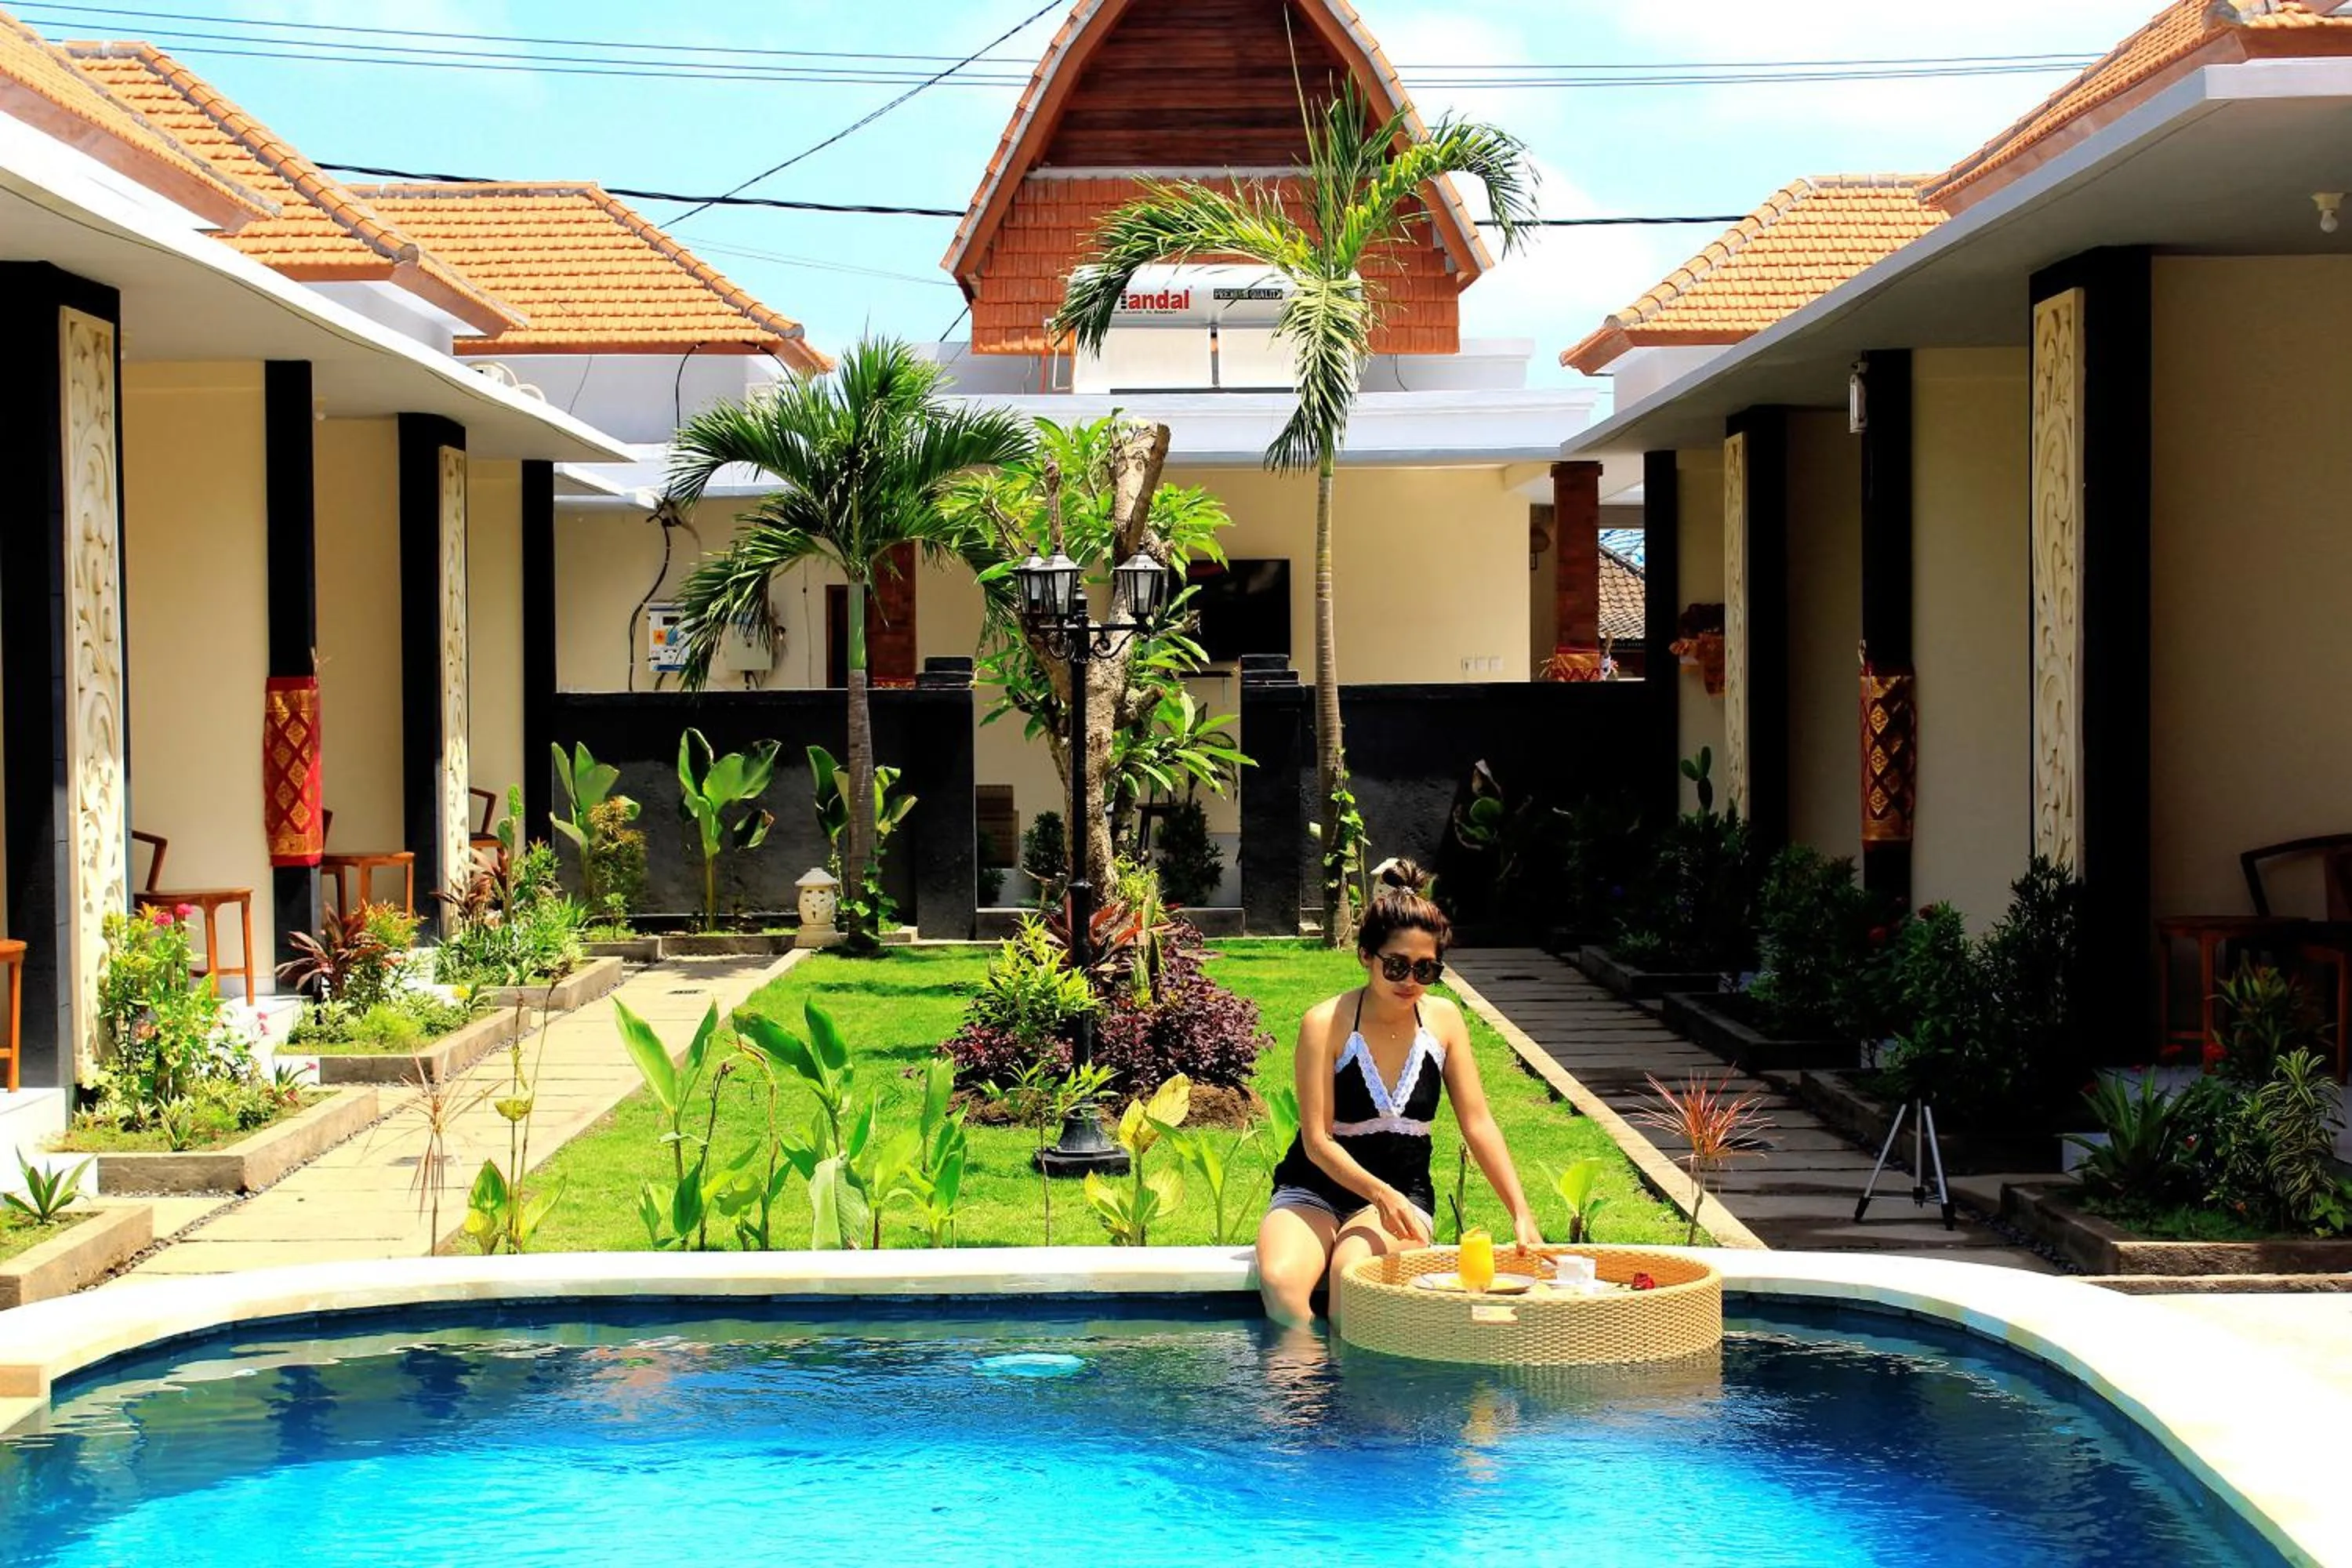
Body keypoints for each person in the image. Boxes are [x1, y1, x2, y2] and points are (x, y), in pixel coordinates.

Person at [1256, 860, 1543, 1327]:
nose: (1410, 980)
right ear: (1366, 956)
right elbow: (1317, 1141)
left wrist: (1521, 1212)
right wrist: (1378, 1193)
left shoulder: (1444, 1022)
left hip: (1403, 1195)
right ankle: (1305, 1396)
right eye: (1396, 966)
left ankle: (1348, 1396)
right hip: (1313, 1187)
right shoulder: (1325, 1024)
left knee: (1354, 1278)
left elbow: (1478, 1123)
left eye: (1426, 969)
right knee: (1283, 1284)